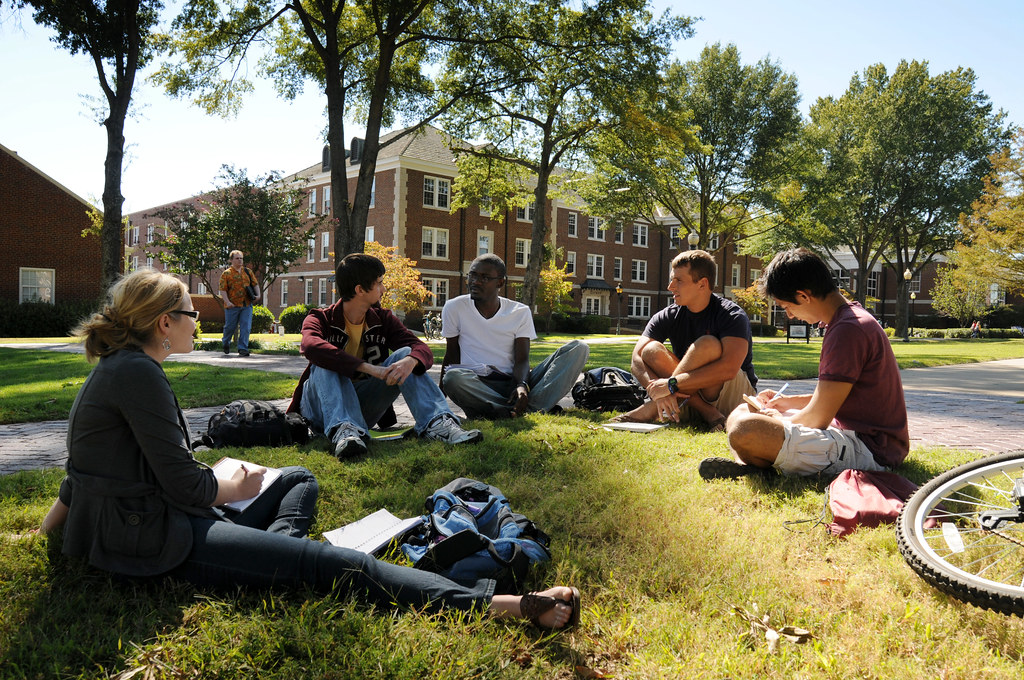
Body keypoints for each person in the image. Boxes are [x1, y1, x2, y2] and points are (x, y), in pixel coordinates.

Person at [37, 268, 579, 630]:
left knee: (297, 477)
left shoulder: (121, 369)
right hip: (153, 539)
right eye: (189, 312)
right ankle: (502, 605)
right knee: (334, 564)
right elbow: (186, 486)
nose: (197, 319)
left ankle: (276, 555)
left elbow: (81, 468)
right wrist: (233, 485)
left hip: (130, 521)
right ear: (163, 323)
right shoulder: (137, 374)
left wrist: (50, 528)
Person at [702, 248, 910, 480]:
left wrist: (780, 420)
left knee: (746, 429)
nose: (789, 315)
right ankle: (756, 461)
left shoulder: (848, 329)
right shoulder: (848, 320)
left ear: (803, 296)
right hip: (850, 432)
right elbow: (839, 398)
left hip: (870, 449)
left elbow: (819, 417)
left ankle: (757, 461)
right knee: (743, 411)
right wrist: (787, 403)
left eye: (786, 306)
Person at [288, 253, 482, 458]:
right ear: (360, 290)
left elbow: (422, 349)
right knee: (324, 361)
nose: (384, 289)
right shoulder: (320, 318)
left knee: (407, 354)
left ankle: (437, 424)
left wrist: (410, 361)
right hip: (320, 411)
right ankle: (343, 431)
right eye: (379, 283)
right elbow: (310, 346)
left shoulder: (382, 319)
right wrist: (367, 368)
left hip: (362, 408)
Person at [610, 250, 757, 431]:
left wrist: (671, 385)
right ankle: (706, 411)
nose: (670, 286)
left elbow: (729, 368)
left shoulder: (731, 315)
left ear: (702, 284)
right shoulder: (668, 315)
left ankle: (650, 410)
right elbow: (636, 359)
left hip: (733, 400)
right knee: (650, 350)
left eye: (678, 280)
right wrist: (659, 393)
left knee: (706, 345)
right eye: (672, 279)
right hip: (687, 398)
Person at [440, 254, 589, 418]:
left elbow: (522, 360)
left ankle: (514, 408)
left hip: (513, 382)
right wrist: (439, 400)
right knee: (452, 378)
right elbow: (451, 355)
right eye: (473, 275)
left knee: (579, 348)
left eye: (484, 277)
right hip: (477, 386)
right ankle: (529, 409)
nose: (475, 281)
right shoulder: (454, 307)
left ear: (500, 282)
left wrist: (521, 385)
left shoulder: (519, 312)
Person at [219, 250, 260, 356]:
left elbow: (255, 284)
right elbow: (222, 290)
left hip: (246, 305)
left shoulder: (248, 272)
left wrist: (258, 295)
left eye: (241, 258)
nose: (240, 260)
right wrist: (227, 302)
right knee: (229, 327)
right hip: (232, 306)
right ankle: (226, 342)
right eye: (237, 258)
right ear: (231, 260)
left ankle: (243, 348)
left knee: (246, 327)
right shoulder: (226, 274)